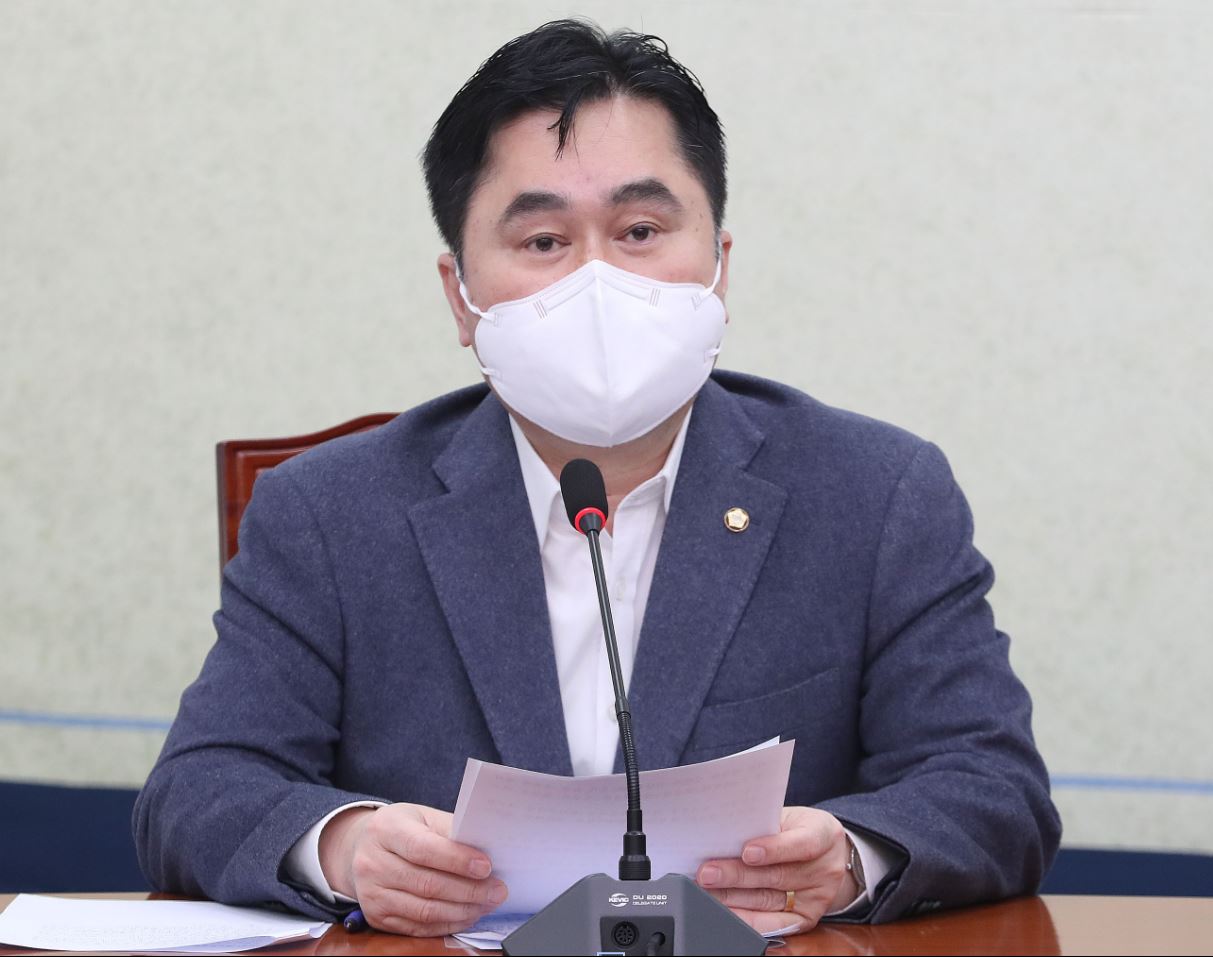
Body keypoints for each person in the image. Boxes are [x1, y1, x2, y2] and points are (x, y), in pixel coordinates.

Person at [133, 19, 1061, 938]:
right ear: (460, 296)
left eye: (640, 230)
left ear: (718, 268)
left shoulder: (874, 493)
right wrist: (343, 847)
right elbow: (197, 790)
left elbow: (992, 788)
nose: (598, 280)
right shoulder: (331, 512)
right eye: (543, 241)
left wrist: (849, 855)